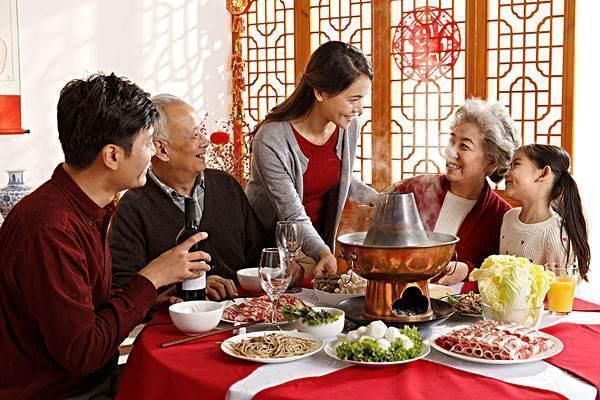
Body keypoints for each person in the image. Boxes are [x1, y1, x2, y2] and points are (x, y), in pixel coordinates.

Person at [0, 74, 211, 400]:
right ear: (112, 155)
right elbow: (83, 354)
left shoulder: (86, 207)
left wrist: (148, 301)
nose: (153, 153)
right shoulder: (51, 229)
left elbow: (86, 314)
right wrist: (150, 278)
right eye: (146, 143)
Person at [109, 94, 284, 300]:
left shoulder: (225, 185)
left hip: (240, 314)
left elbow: (259, 253)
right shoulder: (133, 207)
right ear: (162, 149)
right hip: (176, 324)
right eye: (195, 135)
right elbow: (124, 290)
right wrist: (190, 288)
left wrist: (284, 265)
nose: (205, 142)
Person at [245, 41, 379, 277]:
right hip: (269, 254)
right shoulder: (271, 139)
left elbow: (338, 178)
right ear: (320, 92)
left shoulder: (346, 125)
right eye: (353, 99)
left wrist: (378, 199)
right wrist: (323, 253)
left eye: (362, 98)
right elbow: (291, 213)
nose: (359, 108)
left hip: (314, 247)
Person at [392, 99, 520, 286]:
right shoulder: (412, 190)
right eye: (452, 141)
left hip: (456, 312)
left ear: (491, 162)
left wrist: (468, 270)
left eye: (464, 146)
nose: (451, 152)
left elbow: (499, 277)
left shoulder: (501, 217)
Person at [500, 144, 590, 280]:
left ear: (543, 173)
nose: (506, 173)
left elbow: (563, 288)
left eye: (516, 165)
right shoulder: (509, 218)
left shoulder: (556, 233)